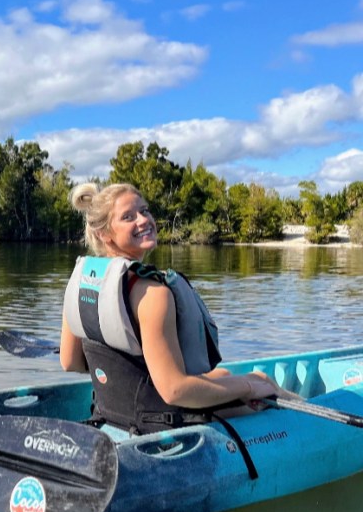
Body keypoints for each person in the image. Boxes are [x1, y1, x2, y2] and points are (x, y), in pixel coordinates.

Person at [60, 182, 291, 434]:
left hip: (112, 413)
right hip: (162, 420)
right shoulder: (153, 293)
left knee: (225, 373)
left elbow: (70, 361)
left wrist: (119, 368)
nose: (144, 220)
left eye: (145, 211)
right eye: (128, 217)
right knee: (261, 383)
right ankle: (304, 420)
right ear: (105, 233)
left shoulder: (83, 283)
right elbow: (174, 390)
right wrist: (249, 389)